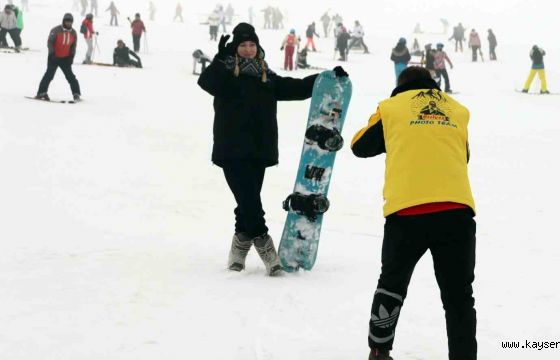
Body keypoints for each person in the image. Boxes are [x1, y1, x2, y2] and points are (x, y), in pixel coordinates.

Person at [196, 23, 348, 276]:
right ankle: (267, 249)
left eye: (251, 45)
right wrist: (221, 58)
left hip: (259, 149)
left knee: (247, 201)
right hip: (231, 149)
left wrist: (326, 78)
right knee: (250, 202)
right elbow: (206, 81)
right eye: (242, 45)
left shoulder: (266, 78)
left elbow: (296, 87)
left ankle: (237, 253)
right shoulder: (225, 75)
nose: (247, 49)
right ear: (236, 48)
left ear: (258, 47)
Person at [351, 66, 477, 360]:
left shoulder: (391, 107)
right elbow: (465, 155)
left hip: (407, 212)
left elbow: (359, 145)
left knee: (392, 285)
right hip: (456, 211)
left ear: (400, 86)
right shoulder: (458, 110)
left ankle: (379, 352)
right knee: (459, 297)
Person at [35, 13, 81, 101]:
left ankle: (76, 94)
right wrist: (52, 54)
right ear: (63, 21)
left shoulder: (73, 33)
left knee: (71, 77)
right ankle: (41, 92)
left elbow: (73, 46)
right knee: (49, 76)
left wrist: (71, 57)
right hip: (54, 58)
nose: (68, 23)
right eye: (67, 21)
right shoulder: (56, 30)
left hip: (65, 59)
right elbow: (50, 42)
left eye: (70, 22)